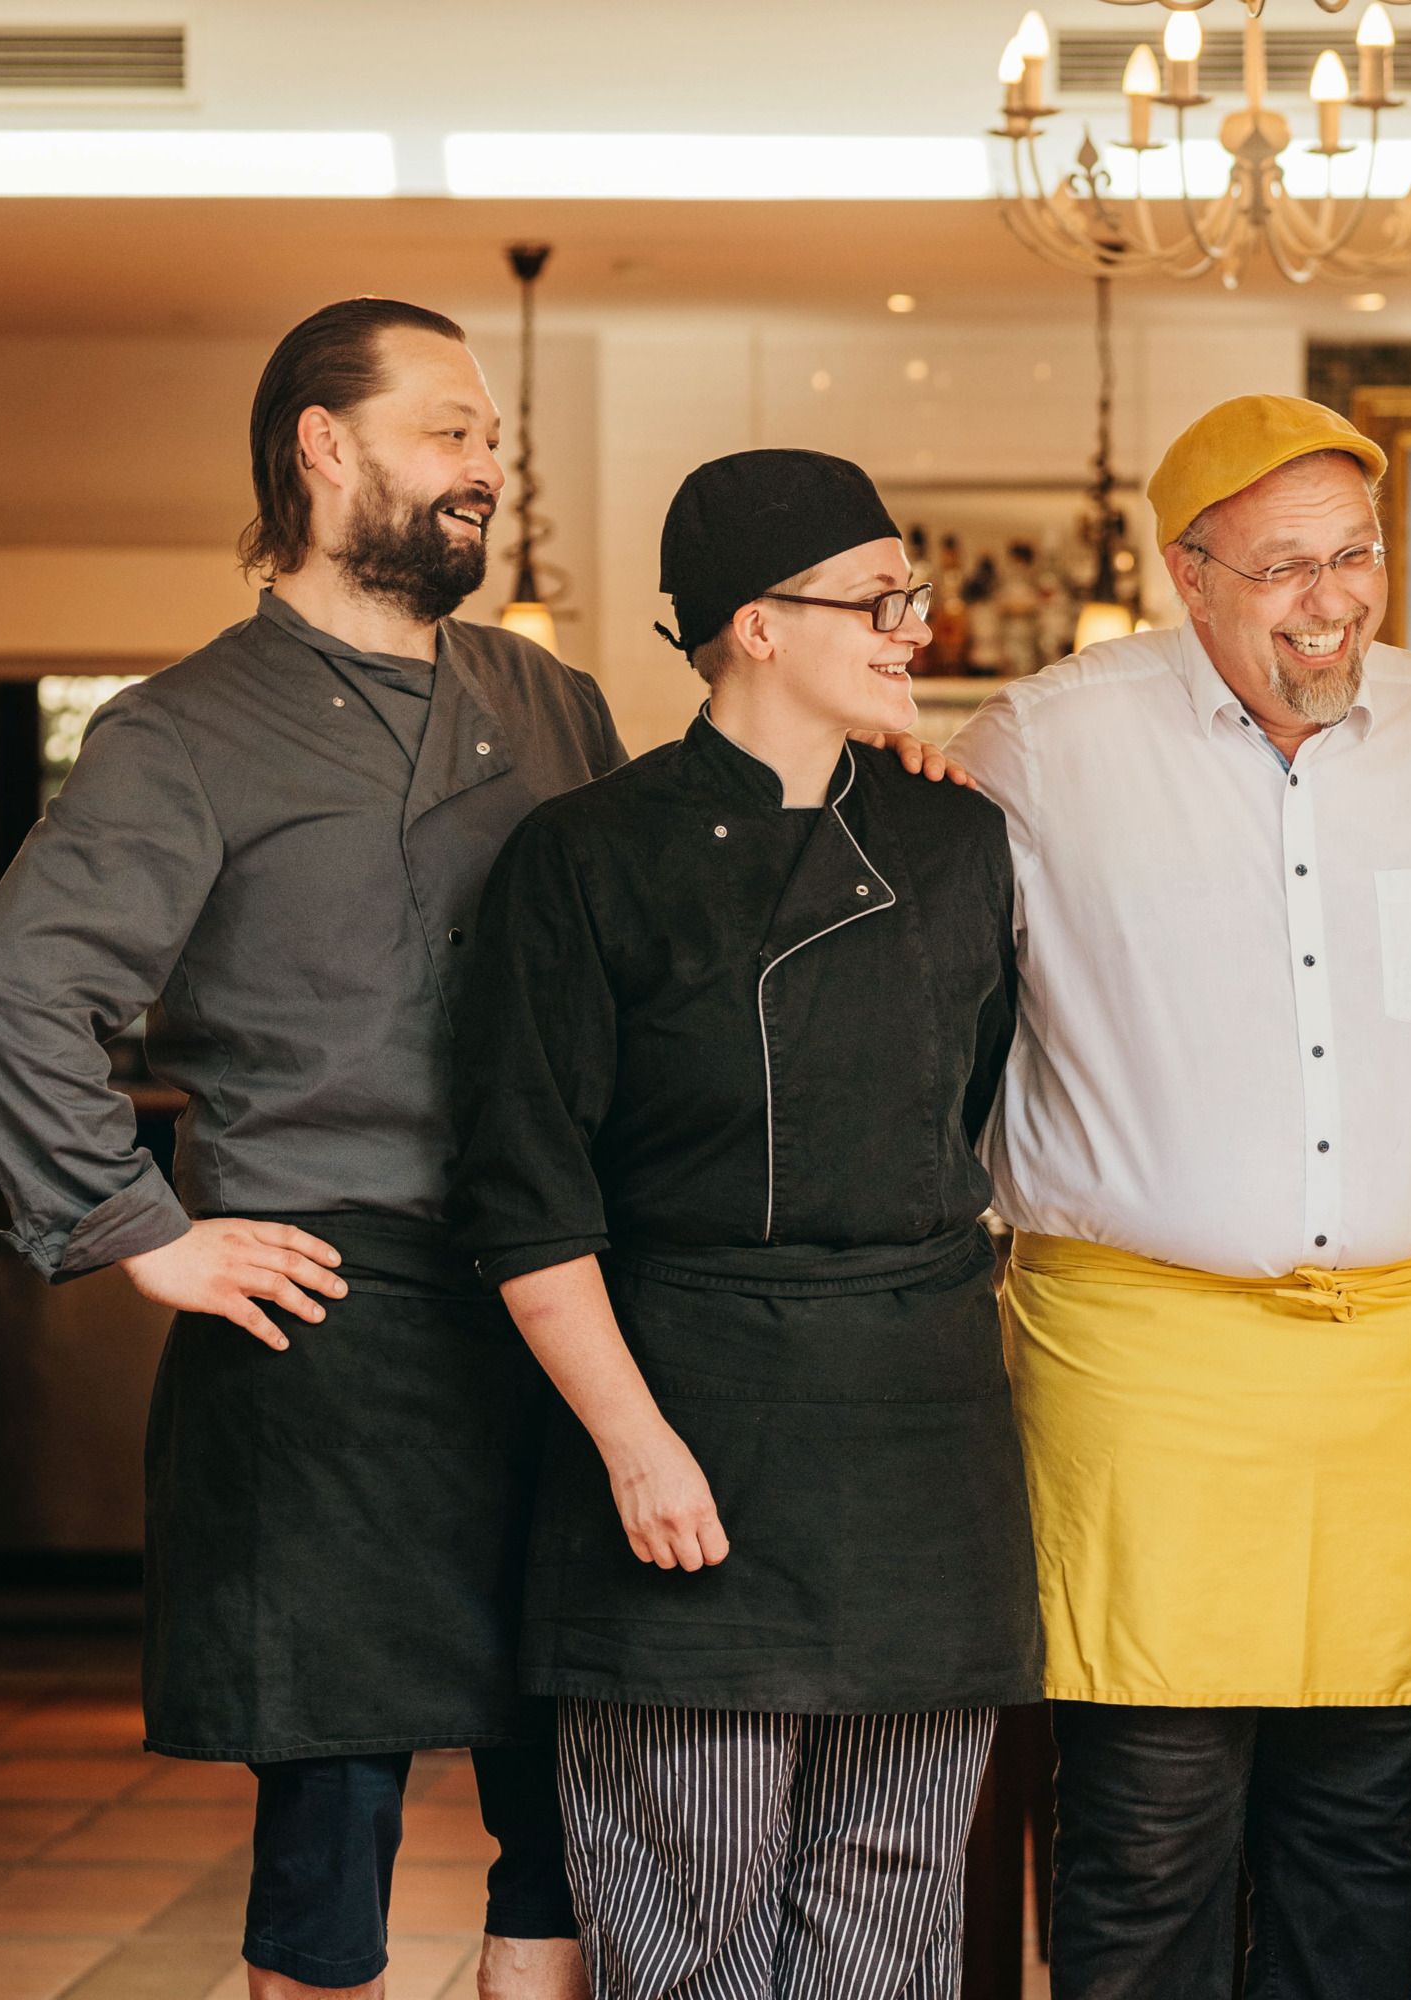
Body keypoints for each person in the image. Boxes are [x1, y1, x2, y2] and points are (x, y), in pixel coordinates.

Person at [0, 298, 623, 2000]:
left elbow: (656, 941)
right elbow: (18, 992)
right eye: (452, 430)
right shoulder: (182, 730)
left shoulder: (549, 700)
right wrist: (138, 1229)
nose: (489, 464)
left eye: (490, 436)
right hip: (327, 1328)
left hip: (560, 1300)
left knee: (568, 1800)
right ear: (325, 447)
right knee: (331, 1831)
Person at [949, 395, 1411, 1999]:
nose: (1333, 599)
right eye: (1286, 567)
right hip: (1140, 1358)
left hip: (1399, 1359)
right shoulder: (1038, 746)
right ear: (1187, 574)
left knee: (1360, 1813)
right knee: (1149, 1818)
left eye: (1356, 556)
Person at [448, 450, 1042, 2000]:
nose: (914, 625)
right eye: (879, 598)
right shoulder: (584, 859)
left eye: (908, 594)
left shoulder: (956, 843)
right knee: (691, 1925)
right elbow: (525, 1200)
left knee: (899, 1918)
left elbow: (960, 1115)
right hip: (693, 1419)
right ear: (755, 625)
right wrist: (636, 1445)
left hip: (923, 1427)